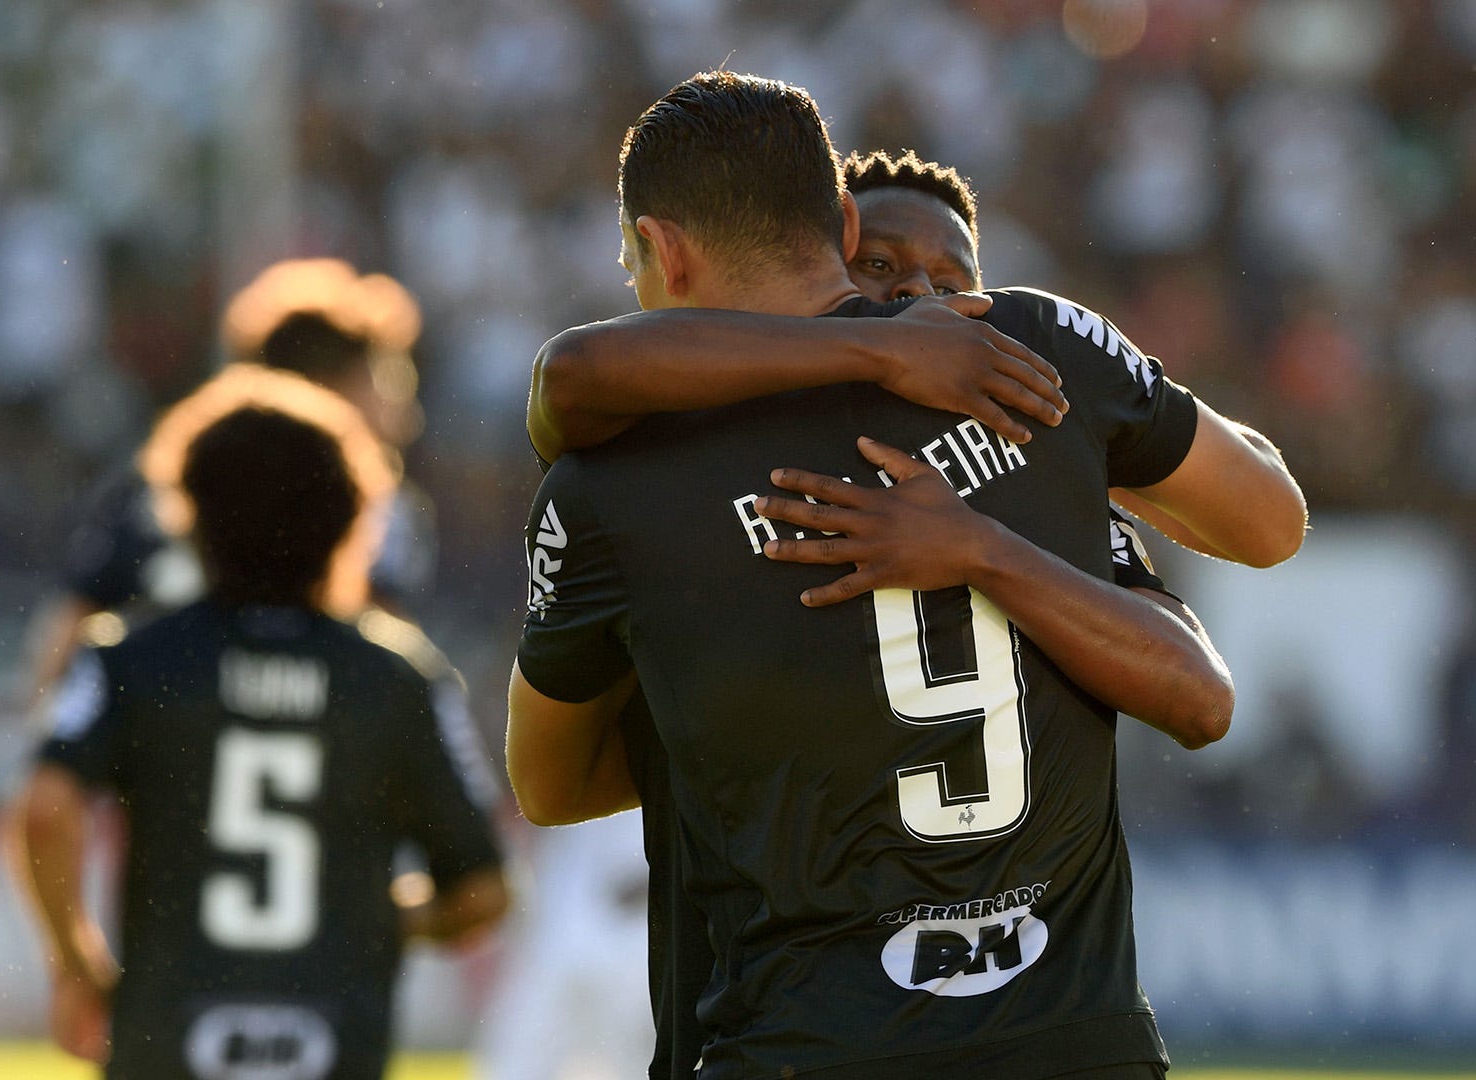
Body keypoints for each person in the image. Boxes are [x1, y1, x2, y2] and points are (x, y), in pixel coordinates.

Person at [507, 71, 1281, 1079]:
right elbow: (1269, 522)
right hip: (1071, 1046)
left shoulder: (617, 484)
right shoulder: (1030, 364)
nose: (919, 293)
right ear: (836, 220)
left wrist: (716, 721)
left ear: (660, 251)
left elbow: (551, 782)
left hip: (795, 1044)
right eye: (888, 267)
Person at [6, 364, 509, 1080]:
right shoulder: (398, 677)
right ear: (350, 516)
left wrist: (75, 961)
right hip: (333, 1047)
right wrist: (374, 912)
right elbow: (482, 893)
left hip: (167, 1043)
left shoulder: (130, 659)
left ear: (188, 511)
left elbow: (47, 810)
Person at [26, 258, 438, 698]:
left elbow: (59, 661)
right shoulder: (374, 508)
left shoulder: (153, 479)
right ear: (323, 389)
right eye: (387, 387)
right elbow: (389, 680)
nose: (405, 418)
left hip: (156, 745)